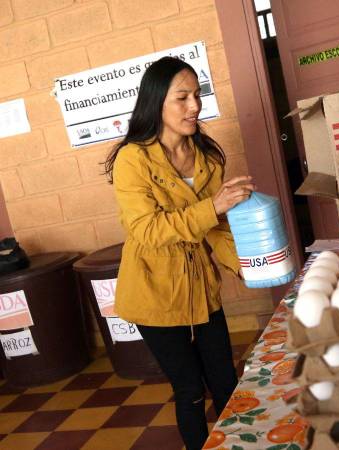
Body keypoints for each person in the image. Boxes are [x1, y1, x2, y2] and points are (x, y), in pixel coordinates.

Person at [104, 56, 255, 449]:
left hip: (202, 290)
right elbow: (147, 230)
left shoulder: (206, 156)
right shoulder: (132, 159)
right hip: (155, 293)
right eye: (182, 97)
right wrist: (213, 207)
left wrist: (251, 265)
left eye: (198, 94)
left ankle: (240, 445)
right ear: (156, 102)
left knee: (226, 381)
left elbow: (218, 228)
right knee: (189, 390)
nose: (195, 106)